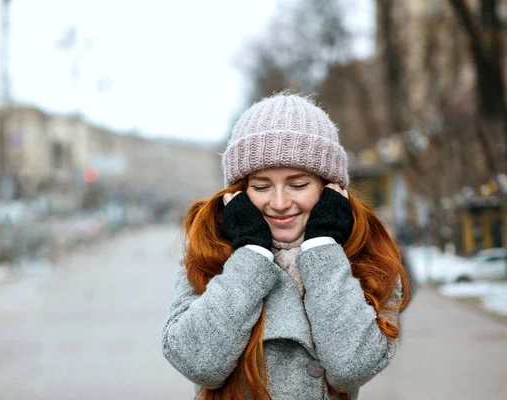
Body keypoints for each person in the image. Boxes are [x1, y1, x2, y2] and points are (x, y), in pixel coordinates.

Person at [162, 94, 412, 400]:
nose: (279, 203)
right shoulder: (210, 254)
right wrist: (251, 255)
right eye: (261, 186)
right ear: (239, 192)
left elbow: (352, 368)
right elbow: (197, 362)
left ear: (329, 187)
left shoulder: (369, 261)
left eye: (298, 185)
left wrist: (323, 247)